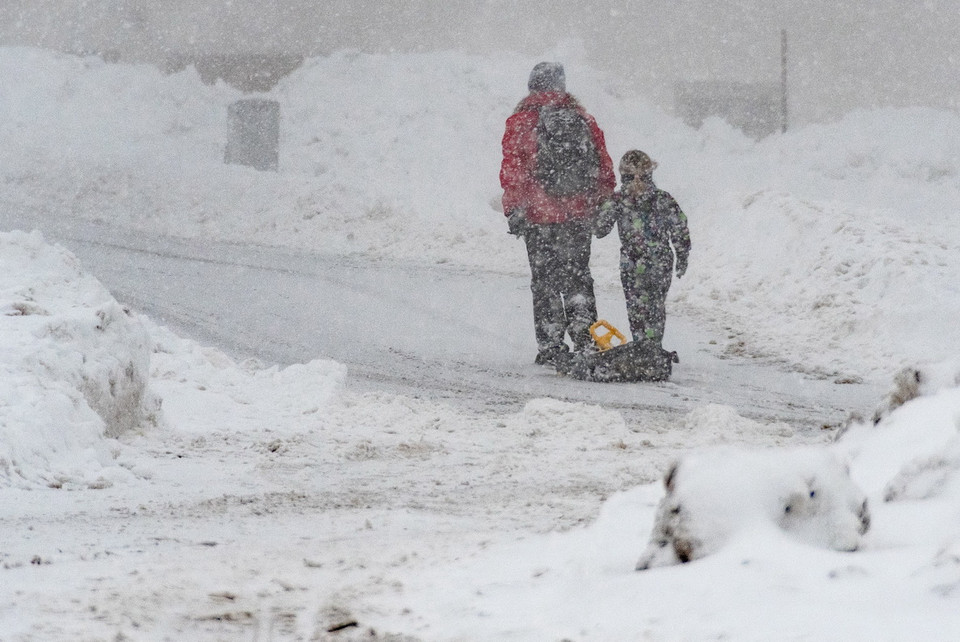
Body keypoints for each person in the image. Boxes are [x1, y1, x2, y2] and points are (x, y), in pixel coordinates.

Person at [500, 62, 616, 368]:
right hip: (577, 215)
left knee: (545, 280)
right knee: (578, 277)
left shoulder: (521, 122)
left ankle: (551, 343)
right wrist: (601, 202)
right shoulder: (583, 119)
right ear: (562, 86)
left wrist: (515, 208)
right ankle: (585, 337)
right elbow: (603, 166)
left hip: (538, 216)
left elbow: (514, 171)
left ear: (531, 86)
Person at [595, 150, 691, 348]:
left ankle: (642, 346)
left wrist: (599, 205)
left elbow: (600, 229)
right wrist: (682, 255)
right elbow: (680, 227)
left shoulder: (618, 200)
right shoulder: (663, 199)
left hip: (632, 260)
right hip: (660, 260)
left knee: (636, 306)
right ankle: (653, 345)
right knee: (656, 305)